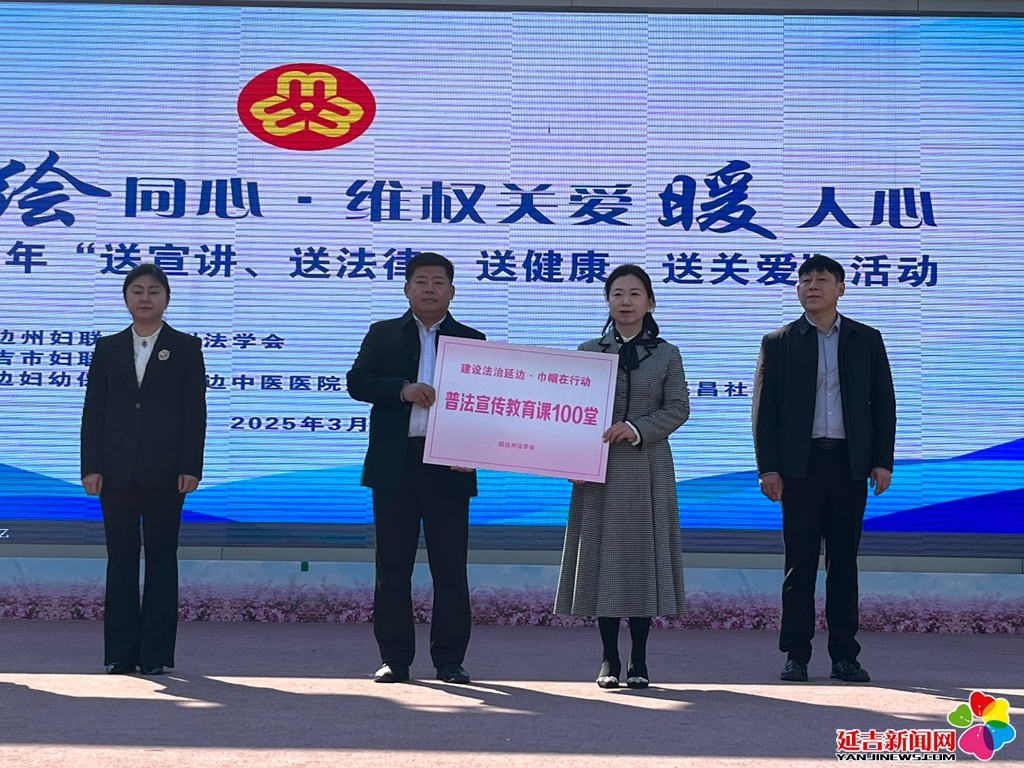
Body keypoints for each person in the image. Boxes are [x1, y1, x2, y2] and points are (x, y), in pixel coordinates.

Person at [752, 254, 896, 684]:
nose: (812, 286)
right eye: (805, 280)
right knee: (799, 565)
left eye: (822, 279)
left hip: (850, 465)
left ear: (840, 288)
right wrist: (768, 467)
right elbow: (764, 411)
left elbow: (883, 404)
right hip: (800, 466)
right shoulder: (778, 342)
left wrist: (881, 460)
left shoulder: (866, 339)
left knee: (844, 564)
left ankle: (844, 656)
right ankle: (796, 655)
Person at [346, 252, 484, 685]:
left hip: (448, 467)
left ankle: (450, 661)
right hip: (395, 465)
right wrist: (401, 390)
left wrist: (475, 452)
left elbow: (485, 410)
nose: (429, 289)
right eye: (421, 281)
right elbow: (357, 382)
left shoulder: (472, 341)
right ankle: (395, 659)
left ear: (452, 291)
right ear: (407, 289)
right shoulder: (383, 334)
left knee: (450, 570)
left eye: (438, 282)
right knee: (392, 569)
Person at [554, 264, 690, 690]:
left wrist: (635, 428)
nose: (626, 301)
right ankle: (609, 658)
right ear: (607, 301)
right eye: (617, 293)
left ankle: (640, 659)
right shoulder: (588, 351)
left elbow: (678, 408)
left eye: (634, 293)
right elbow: (569, 414)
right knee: (605, 560)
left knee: (640, 561)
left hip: (647, 467)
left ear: (650, 302)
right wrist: (570, 460)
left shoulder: (667, 354)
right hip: (597, 469)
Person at [80, 263, 207, 675]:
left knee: (161, 559)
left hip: (167, 469)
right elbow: (94, 411)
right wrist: (91, 466)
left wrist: (191, 465)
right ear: (126, 298)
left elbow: (195, 412)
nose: (145, 298)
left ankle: (154, 654)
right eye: (137, 291)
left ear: (167, 298)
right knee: (120, 559)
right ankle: (119, 653)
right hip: (115, 469)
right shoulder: (108, 348)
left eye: (154, 291)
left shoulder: (186, 347)